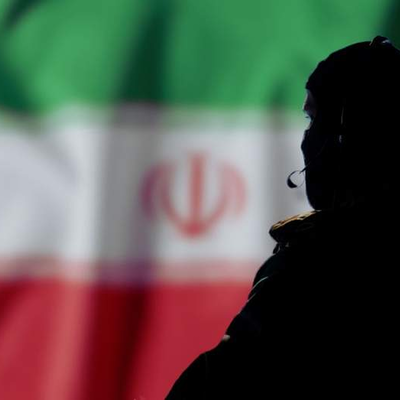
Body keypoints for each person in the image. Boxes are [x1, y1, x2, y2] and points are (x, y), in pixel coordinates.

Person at [166, 36, 400, 399]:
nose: (307, 138)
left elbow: (221, 381)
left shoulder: (315, 270)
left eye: (314, 118)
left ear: (347, 134)